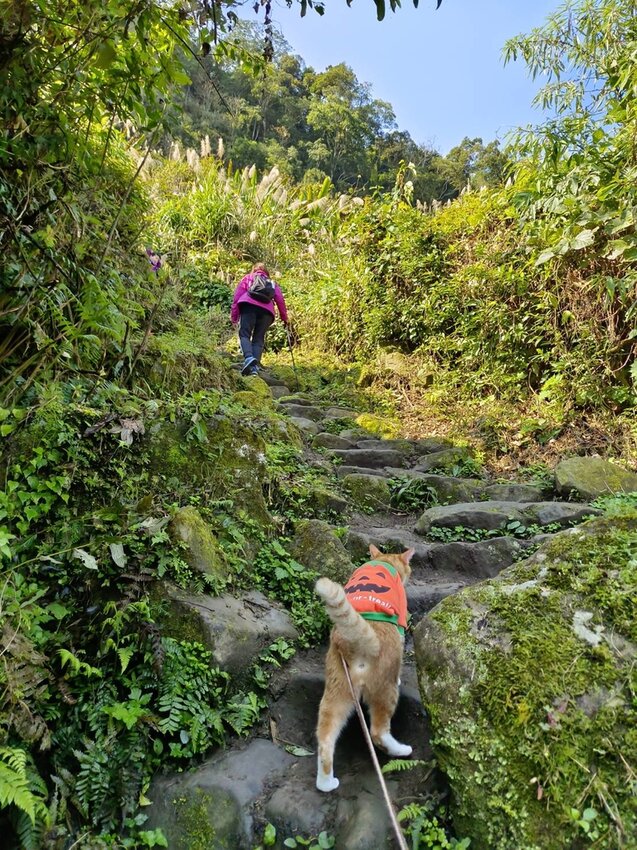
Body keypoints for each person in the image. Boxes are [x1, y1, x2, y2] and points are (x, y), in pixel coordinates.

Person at [230, 262, 288, 376]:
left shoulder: (248, 278)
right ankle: (254, 369)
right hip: (267, 312)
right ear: (266, 272)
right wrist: (284, 318)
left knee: (244, 334)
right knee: (258, 338)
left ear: (254, 270)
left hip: (248, 306)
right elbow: (280, 300)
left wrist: (234, 318)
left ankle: (248, 358)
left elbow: (237, 297)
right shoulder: (271, 283)